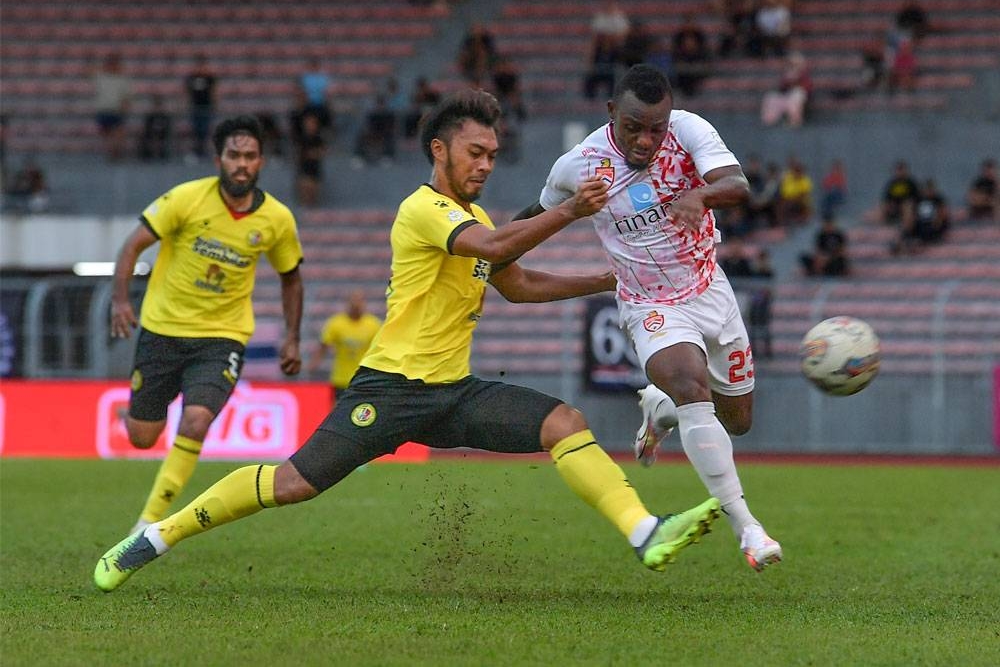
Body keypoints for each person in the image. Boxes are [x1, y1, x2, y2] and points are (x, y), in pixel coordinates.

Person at [94, 89, 721, 592]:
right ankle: (156, 536)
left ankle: (644, 531)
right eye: (475, 152)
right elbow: (498, 247)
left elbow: (518, 284)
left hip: (451, 392)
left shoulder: (475, 217)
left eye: (493, 156)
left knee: (564, 422)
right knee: (292, 485)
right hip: (390, 389)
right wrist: (566, 213)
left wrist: (611, 279)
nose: (485, 164)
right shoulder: (421, 209)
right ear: (439, 150)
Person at [517, 64, 781, 571]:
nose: (645, 139)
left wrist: (700, 194)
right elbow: (541, 212)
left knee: (739, 421)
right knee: (691, 387)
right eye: (633, 126)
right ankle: (748, 528)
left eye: (655, 128)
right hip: (649, 303)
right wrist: (490, 248)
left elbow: (739, 184)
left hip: (711, 289)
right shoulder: (580, 164)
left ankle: (661, 411)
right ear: (612, 112)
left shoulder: (690, 130)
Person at [107, 115, 304, 538]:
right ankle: (136, 413)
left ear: (261, 162)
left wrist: (291, 335)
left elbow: (291, 276)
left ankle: (146, 524)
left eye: (250, 156)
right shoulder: (186, 198)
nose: (241, 164)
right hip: (162, 330)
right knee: (143, 437)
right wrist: (120, 300)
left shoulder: (277, 219)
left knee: (196, 421)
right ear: (219, 158)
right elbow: (134, 243)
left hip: (222, 337)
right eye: (234, 155)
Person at [307, 289, 382, 405]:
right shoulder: (336, 323)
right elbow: (324, 345)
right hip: (341, 379)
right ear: (348, 303)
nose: (356, 305)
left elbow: (380, 350)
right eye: (353, 301)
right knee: (337, 411)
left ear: (364, 304)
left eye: (359, 302)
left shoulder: (373, 324)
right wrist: (314, 364)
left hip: (363, 379)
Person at [92, 53, 131, 161]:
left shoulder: (122, 79)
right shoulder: (101, 78)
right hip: (104, 110)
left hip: (116, 111)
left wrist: (125, 109)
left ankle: (116, 154)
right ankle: (112, 154)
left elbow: (126, 97)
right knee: (108, 136)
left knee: (118, 134)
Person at [761, 52, 812, 128]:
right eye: (791, 64)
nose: (793, 66)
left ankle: (794, 121)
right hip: (786, 96)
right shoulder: (786, 74)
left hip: (797, 97)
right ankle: (769, 120)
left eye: (795, 64)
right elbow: (782, 88)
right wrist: (788, 81)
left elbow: (807, 89)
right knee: (771, 96)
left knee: (797, 94)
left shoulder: (805, 76)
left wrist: (796, 81)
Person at [184, 54, 217, 161]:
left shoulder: (209, 78)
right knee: (196, 130)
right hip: (195, 107)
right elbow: (186, 92)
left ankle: (204, 152)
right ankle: (196, 152)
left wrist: (214, 105)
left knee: (205, 130)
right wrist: (186, 105)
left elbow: (214, 92)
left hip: (206, 107)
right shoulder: (191, 77)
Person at [880, 160, 919, 226]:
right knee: (882, 207)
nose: (900, 172)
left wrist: (910, 203)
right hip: (895, 205)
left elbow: (917, 197)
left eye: (902, 170)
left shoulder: (911, 183)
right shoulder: (892, 184)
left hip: (907, 206)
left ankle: (907, 227)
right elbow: (886, 197)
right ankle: (883, 227)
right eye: (898, 170)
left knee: (907, 207)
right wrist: (888, 204)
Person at [138, 94, 172, 161]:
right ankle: (147, 157)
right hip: (151, 135)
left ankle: (162, 155)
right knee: (149, 139)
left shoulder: (165, 117)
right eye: (156, 105)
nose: (158, 108)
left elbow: (168, 128)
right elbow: (147, 129)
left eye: (159, 105)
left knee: (160, 139)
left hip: (162, 135)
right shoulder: (150, 117)